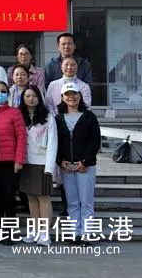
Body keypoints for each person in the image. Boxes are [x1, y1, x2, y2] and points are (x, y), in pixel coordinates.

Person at [56, 82, 101, 246]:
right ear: (62, 98)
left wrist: (85, 161)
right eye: (67, 94)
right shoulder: (58, 118)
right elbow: (56, 142)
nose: (71, 97)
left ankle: (86, 234)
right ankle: (75, 233)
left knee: (86, 201)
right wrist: (60, 161)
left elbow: (95, 142)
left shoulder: (89, 117)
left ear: (80, 96)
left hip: (85, 166)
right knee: (72, 202)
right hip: (67, 167)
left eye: (74, 94)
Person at [0, 80, 27, 244]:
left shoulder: (15, 113)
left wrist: (19, 160)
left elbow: (21, 137)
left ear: (8, 94)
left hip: (10, 162)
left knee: (9, 197)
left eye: (3, 91)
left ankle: (10, 232)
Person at [19, 86, 57, 247]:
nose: (31, 99)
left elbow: (53, 143)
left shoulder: (48, 118)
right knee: (31, 199)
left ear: (39, 98)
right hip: (26, 162)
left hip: (42, 164)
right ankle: (35, 230)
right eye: (27, 96)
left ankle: (45, 233)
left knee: (44, 199)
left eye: (34, 96)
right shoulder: (19, 116)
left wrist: (49, 167)